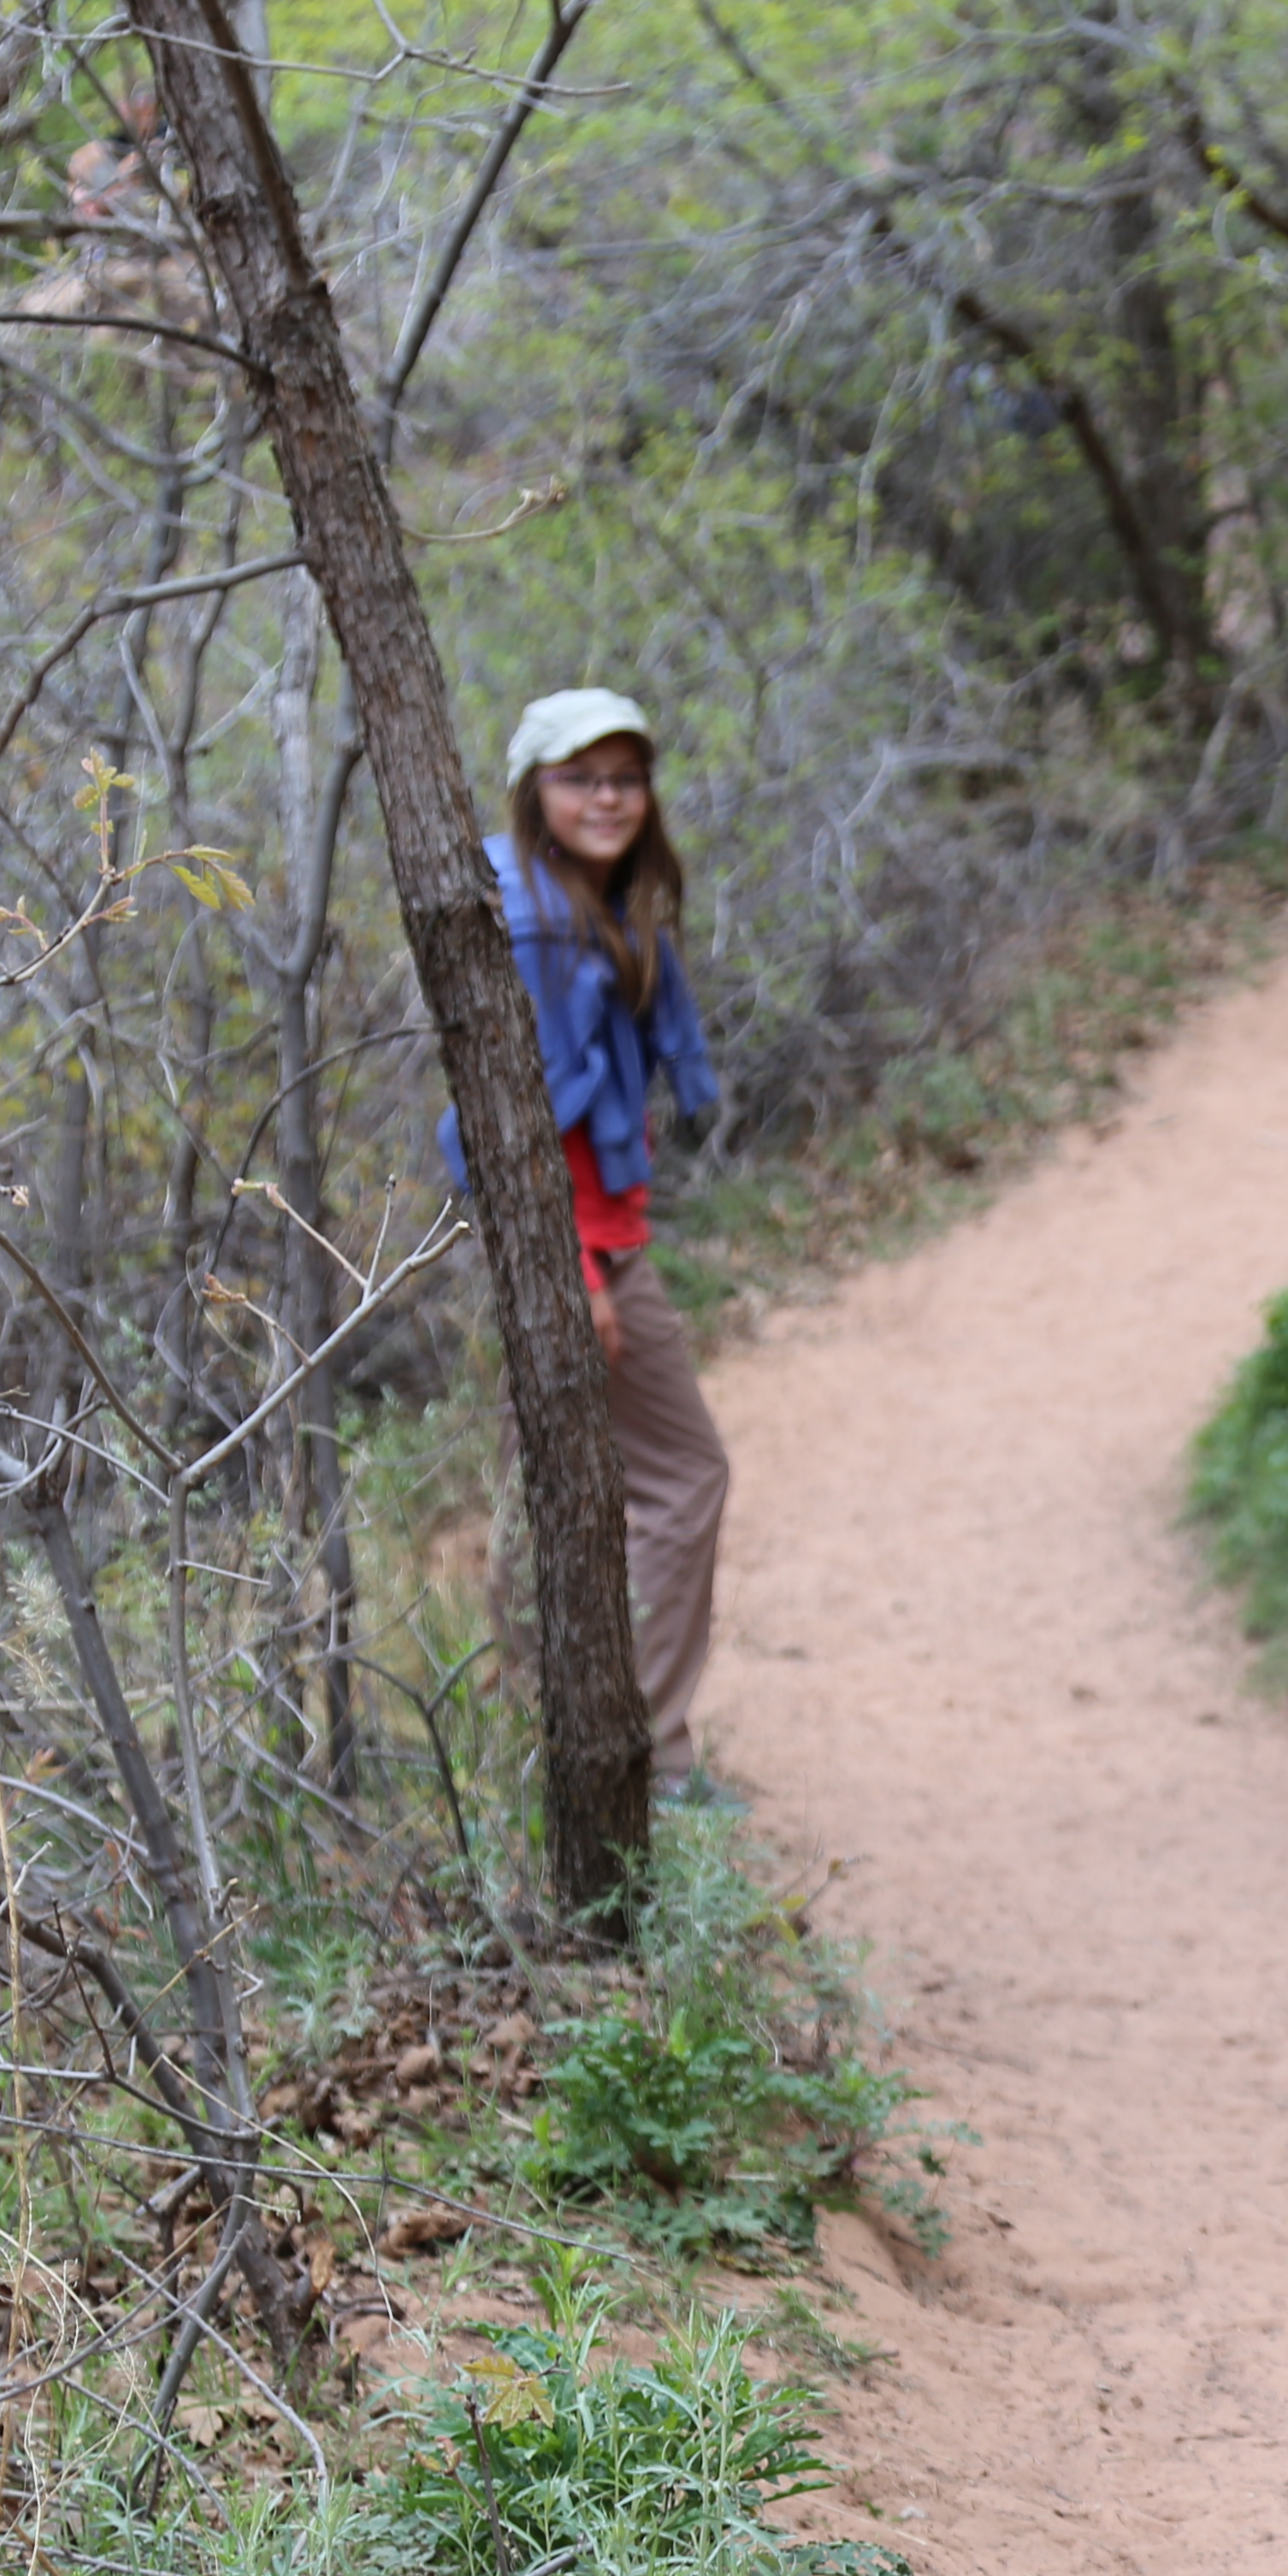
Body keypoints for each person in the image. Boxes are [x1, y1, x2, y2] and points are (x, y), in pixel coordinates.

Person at [436, 686, 736, 1801]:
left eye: (624, 777)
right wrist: (575, 1272)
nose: (607, 798)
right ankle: (640, 1754)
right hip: (571, 1246)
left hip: (582, 1240)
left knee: (548, 1471)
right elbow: (523, 1113)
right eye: (579, 778)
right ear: (533, 791)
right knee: (680, 1475)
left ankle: (549, 1735)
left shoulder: (592, 901)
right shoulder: (541, 925)